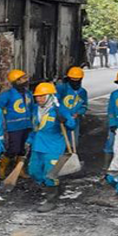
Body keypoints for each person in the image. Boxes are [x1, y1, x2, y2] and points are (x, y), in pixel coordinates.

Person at [28, 82, 78, 212]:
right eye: (37, 96)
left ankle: (51, 199)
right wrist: (29, 140)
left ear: (50, 96)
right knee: (34, 171)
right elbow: (35, 128)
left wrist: (66, 120)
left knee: (50, 174)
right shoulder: (35, 109)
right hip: (37, 145)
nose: (38, 99)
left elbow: (72, 126)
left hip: (53, 147)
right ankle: (52, 187)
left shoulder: (59, 109)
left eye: (42, 96)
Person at [0, 69, 33, 180]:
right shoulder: (7, 95)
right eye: (22, 79)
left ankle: (20, 169)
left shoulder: (28, 94)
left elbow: (32, 108)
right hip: (14, 127)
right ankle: (1, 167)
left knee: (23, 149)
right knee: (14, 149)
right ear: (16, 81)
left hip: (27, 125)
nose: (25, 80)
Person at [55, 67, 88, 147]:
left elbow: (84, 106)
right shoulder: (62, 88)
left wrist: (78, 113)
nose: (75, 83)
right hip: (60, 120)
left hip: (74, 121)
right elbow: (55, 102)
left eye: (77, 80)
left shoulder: (82, 92)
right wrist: (59, 114)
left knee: (73, 144)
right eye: (73, 80)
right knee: (59, 143)